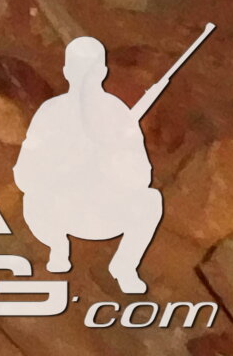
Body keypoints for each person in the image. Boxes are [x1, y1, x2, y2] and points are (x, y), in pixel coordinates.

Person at [17, 35, 169, 295]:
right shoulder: (51, 112)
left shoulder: (118, 114)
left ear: (102, 72)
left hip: (103, 210)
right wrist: (63, 165)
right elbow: (24, 173)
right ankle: (57, 247)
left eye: (91, 70)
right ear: (67, 71)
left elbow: (142, 175)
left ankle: (124, 266)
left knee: (150, 200)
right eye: (79, 69)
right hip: (60, 211)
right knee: (33, 200)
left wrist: (115, 164)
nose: (85, 77)